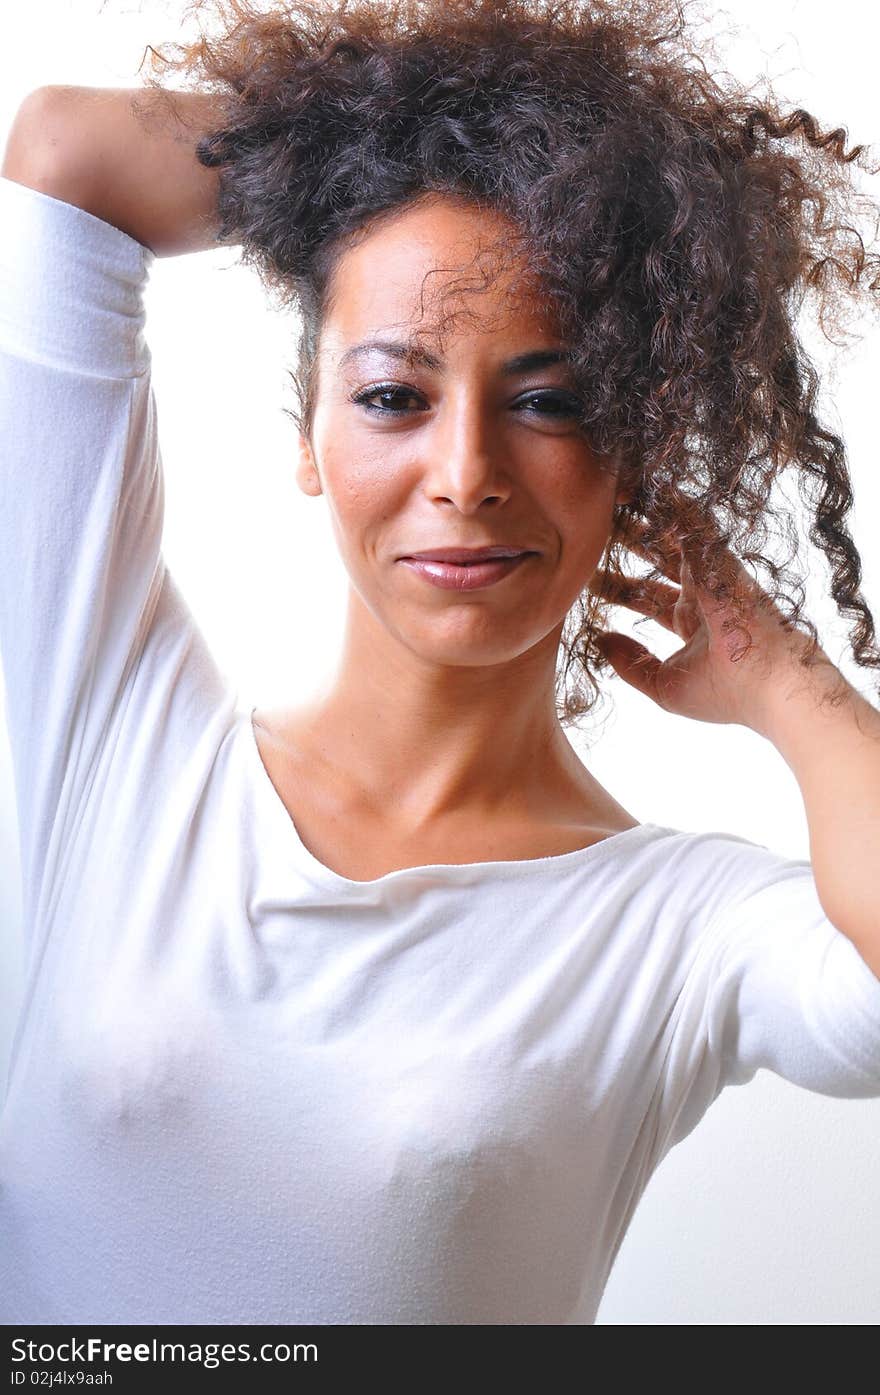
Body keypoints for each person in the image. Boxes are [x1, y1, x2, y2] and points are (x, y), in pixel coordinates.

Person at [1, 0, 879, 1327]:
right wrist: (411, 135)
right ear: (310, 433)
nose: (464, 476)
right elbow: (68, 155)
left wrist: (791, 685)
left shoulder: (671, 932)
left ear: (630, 449)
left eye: (549, 400)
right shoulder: (113, 731)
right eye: (394, 396)